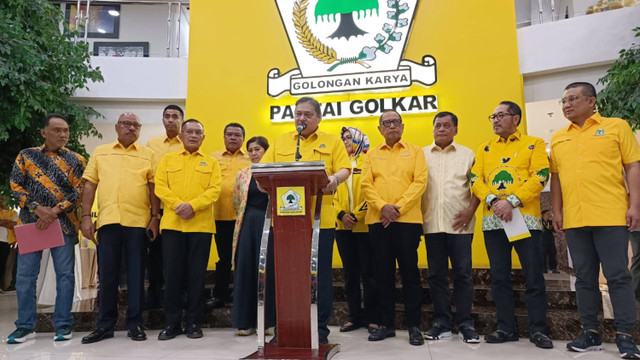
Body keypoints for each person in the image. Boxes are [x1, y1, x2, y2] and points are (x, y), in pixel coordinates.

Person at [550, 82, 640, 358]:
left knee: (618, 277)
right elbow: (556, 178)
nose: (566, 104)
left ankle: (625, 335)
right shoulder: (558, 137)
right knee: (584, 278)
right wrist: (556, 211)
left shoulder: (617, 127)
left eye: (573, 99)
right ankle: (590, 332)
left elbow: (632, 166)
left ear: (591, 101)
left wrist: (635, 204)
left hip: (611, 214)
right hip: (576, 219)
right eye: (563, 101)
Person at [261, 96, 350, 344]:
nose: (302, 118)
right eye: (298, 113)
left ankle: (319, 329)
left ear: (319, 118)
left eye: (308, 114)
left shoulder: (332, 141)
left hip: (320, 221)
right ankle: (286, 327)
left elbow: (344, 168)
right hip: (285, 224)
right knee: (287, 276)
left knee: (318, 277)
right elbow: (264, 170)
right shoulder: (280, 141)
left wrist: (335, 179)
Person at [470, 101, 553, 349]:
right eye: (492, 116)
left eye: (500, 115)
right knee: (500, 278)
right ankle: (506, 328)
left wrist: (512, 201)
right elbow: (476, 178)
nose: (495, 120)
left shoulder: (534, 143)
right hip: (493, 220)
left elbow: (540, 175)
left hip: (525, 220)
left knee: (534, 276)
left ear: (515, 119)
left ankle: (539, 330)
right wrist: (495, 200)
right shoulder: (484, 148)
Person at [81, 112, 160, 343]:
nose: (131, 128)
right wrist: (86, 216)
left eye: (136, 125)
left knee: (136, 276)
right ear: (117, 127)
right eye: (127, 124)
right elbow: (89, 185)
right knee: (107, 275)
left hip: (138, 223)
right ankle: (105, 325)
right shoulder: (100, 151)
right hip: (108, 222)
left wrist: (155, 217)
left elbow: (153, 188)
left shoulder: (148, 155)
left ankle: (135, 325)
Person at [7, 114, 86, 343]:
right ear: (44, 132)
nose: (63, 135)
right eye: (57, 130)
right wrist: (36, 207)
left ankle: (63, 325)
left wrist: (54, 211)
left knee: (65, 276)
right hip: (32, 224)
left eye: (66, 131)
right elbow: (15, 184)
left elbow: (79, 192)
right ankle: (25, 326)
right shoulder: (26, 155)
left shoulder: (77, 160)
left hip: (64, 224)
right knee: (25, 277)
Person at [361, 109, 427, 346]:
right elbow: (365, 184)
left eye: (395, 122)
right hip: (378, 222)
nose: (391, 126)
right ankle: (386, 325)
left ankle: (414, 327)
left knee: (410, 275)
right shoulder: (370, 154)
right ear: (379, 129)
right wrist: (382, 208)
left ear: (402, 126)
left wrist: (396, 208)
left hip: (407, 222)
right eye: (386, 123)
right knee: (382, 276)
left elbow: (420, 182)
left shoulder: (416, 152)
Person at [155, 119, 221, 340]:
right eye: (189, 132)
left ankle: (193, 322)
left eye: (198, 132)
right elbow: (160, 186)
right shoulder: (167, 159)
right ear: (181, 136)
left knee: (196, 277)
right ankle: (172, 323)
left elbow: (214, 190)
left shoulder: (211, 163)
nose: (193, 135)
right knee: (172, 276)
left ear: (203, 138)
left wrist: (193, 206)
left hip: (200, 226)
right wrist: (177, 206)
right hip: (173, 226)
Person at [421, 111, 480, 343]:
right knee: (436, 276)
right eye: (438, 125)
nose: (442, 129)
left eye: (447, 125)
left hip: (461, 225)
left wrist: (470, 211)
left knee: (463, 275)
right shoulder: (421, 155)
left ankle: (465, 323)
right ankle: (442, 322)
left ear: (456, 129)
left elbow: (478, 187)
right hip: (431, 223)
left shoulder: (468, 155)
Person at [333, 126, 378, 334]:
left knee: (369, 272)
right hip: (342, 227)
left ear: (360, 139)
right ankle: (354, 317)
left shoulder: (368, 161)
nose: (345, 141)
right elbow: (328, 194)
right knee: (350, 273)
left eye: (349, 137)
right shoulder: (336, 165)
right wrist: (341, 215)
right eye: (343, 138)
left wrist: (357, 215)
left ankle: (372, 317)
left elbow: (372, 191)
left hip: (364, 225)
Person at [232, 136, 276, 336]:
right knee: (246, 269)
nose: (253, 153)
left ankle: (268, 322)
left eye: (257, 149)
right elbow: (237, 202)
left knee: (268, 270)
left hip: (270, 223)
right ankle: (245, 322)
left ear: (266, 151)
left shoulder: (276, 172)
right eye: (250, 150)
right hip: (247, 224)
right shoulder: (242, 174)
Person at [144, 104, 184, 310]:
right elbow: (150, 176)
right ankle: (153, 295)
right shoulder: (152, 144)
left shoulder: (186, 143)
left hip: (177, 209)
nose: (170, 120)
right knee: (155, 254)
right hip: (155, 207)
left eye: (175, 116)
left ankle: (175, 296)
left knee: (174, 256)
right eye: (167, 116)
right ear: (162, 120)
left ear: (181, 121)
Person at [208, 123, 251, 308]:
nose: (233, 138)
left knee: (243, 258)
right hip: (220, 216)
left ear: (243, 138)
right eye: (229, 134)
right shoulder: (212, 158)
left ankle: (242, 296)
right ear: (224, 137)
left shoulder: (251, 157)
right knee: (224, 258)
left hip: (244, 217)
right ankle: (220, 295)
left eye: (237, 135)